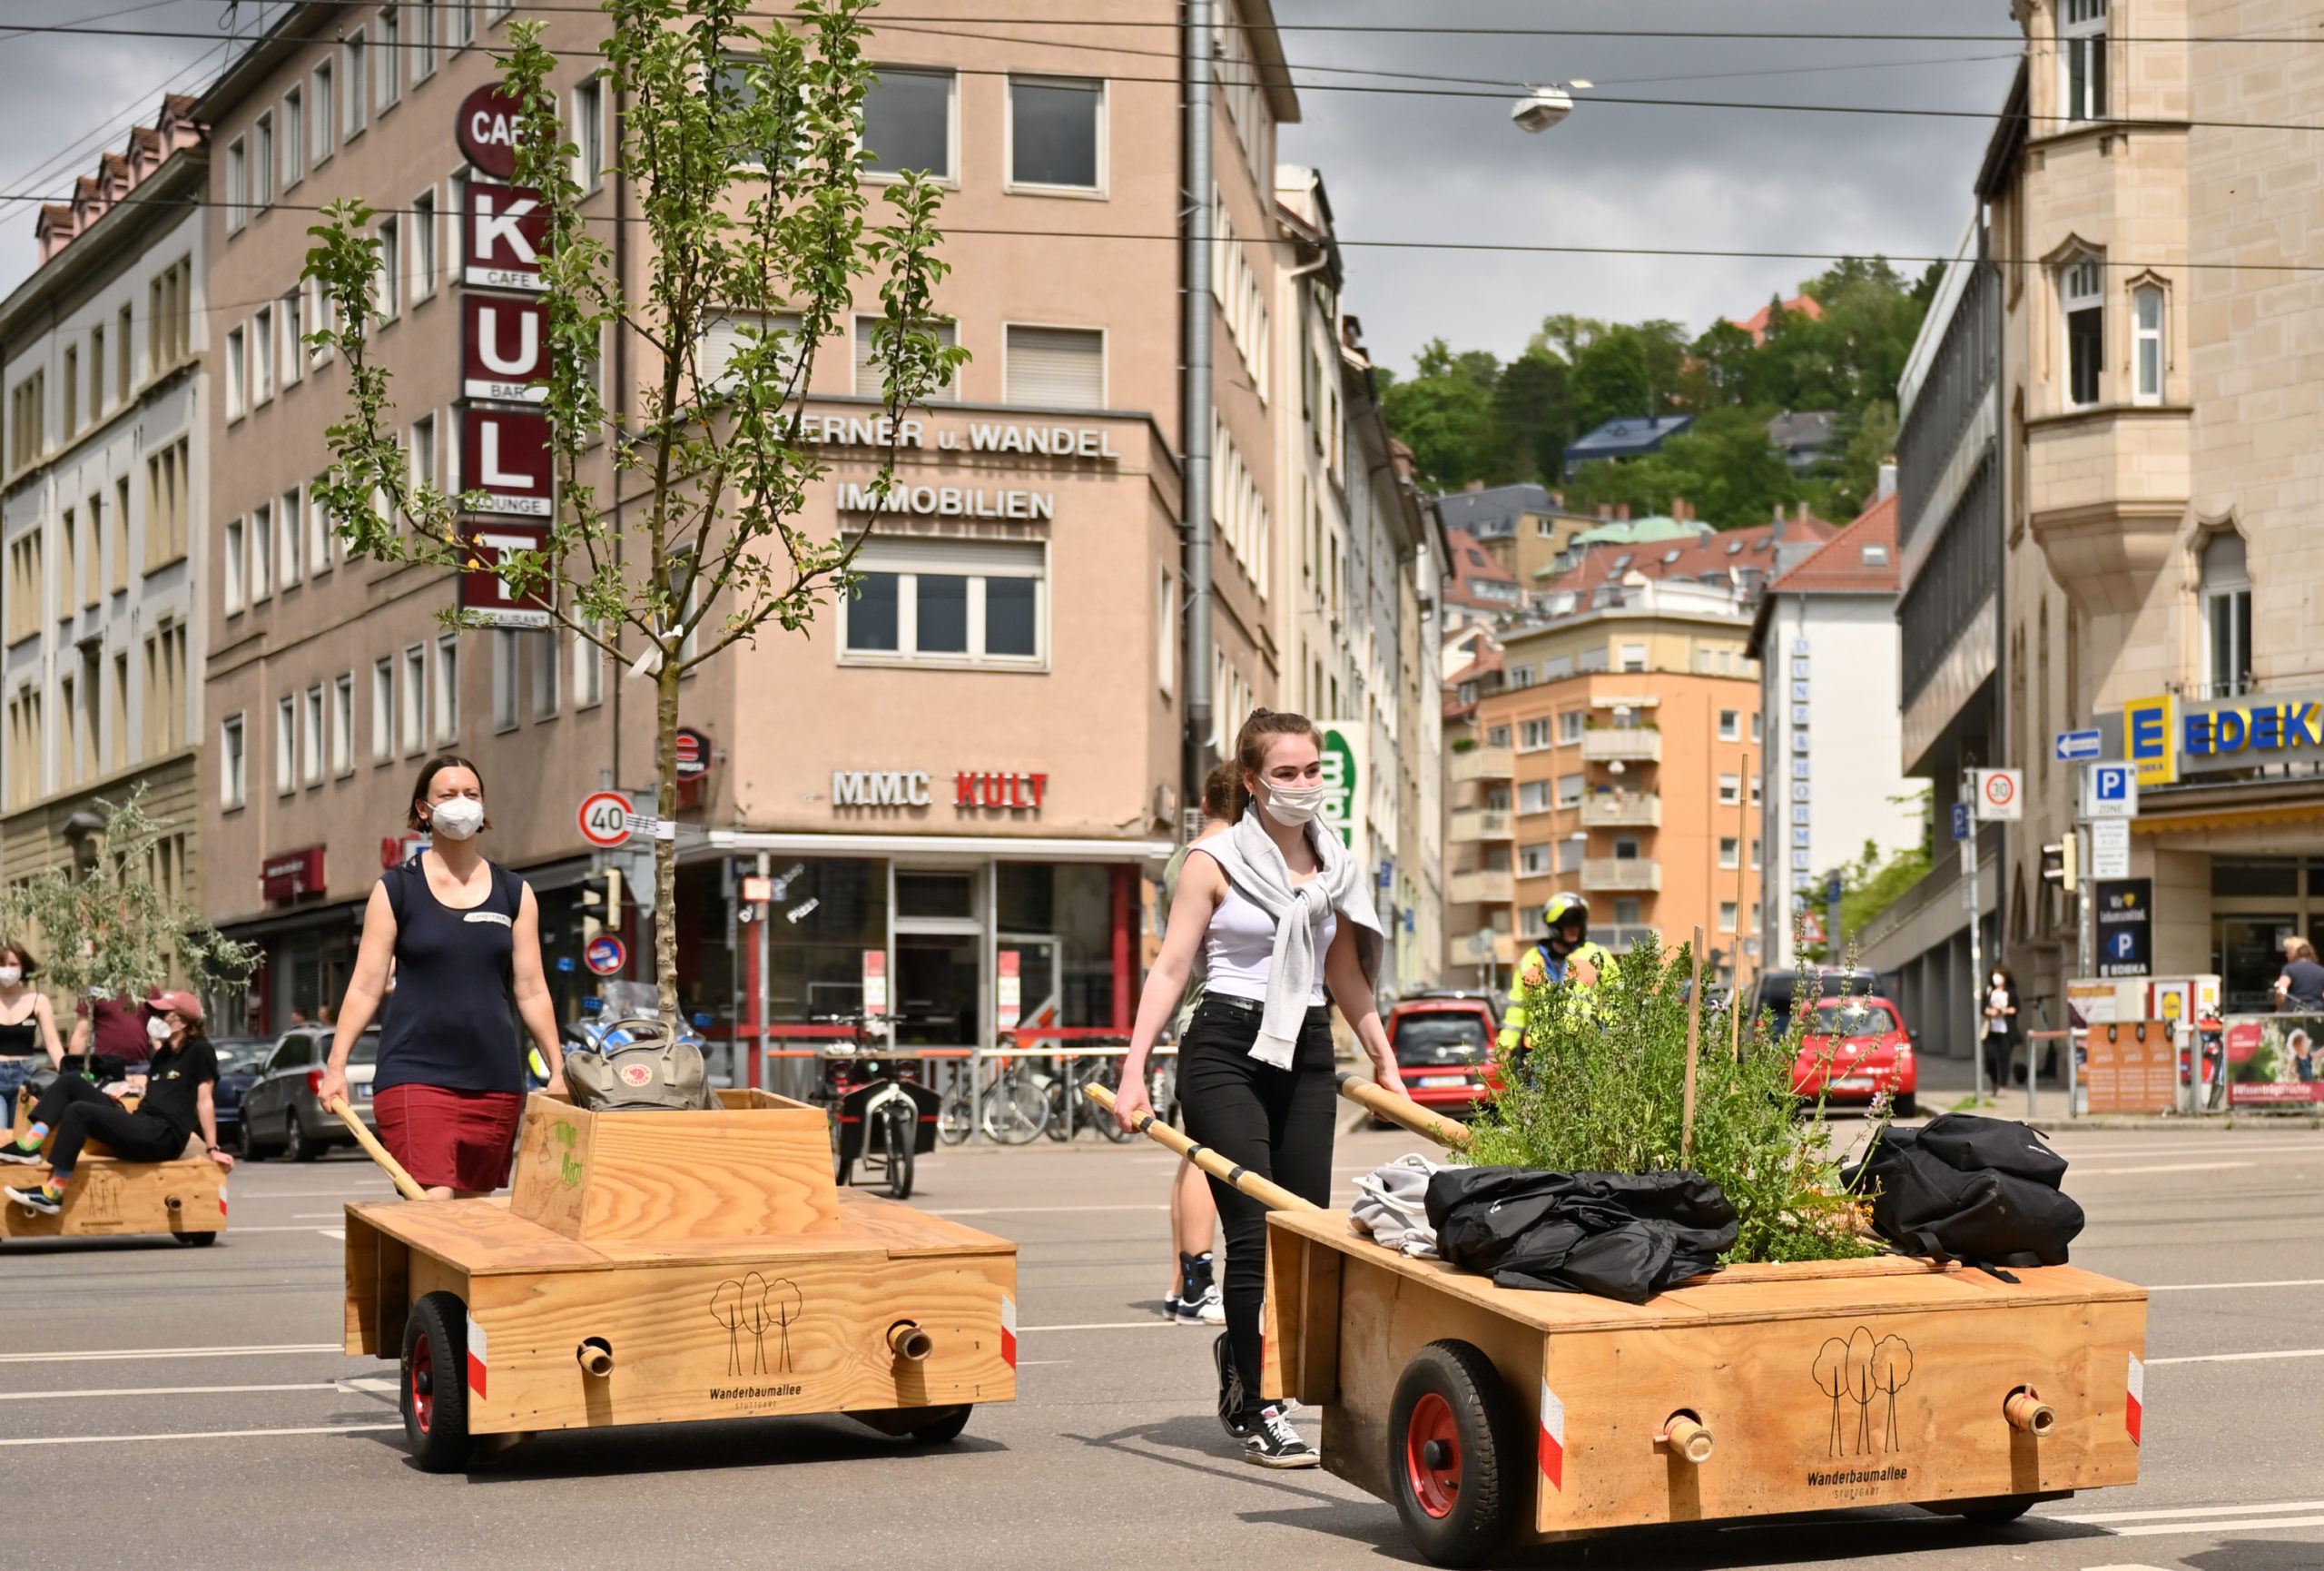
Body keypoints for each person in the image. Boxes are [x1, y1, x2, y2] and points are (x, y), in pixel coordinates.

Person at [1114, 709, 1404, 1467]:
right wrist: (1133, 1068)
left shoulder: (1333, 863)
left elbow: (1343, 974)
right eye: (1286, 773)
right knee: (1252, 1234)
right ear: (1252, 780)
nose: (1304, 785)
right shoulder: (1214, 860)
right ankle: (1264, 1405)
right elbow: (1173, 967)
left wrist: (1383, 1060)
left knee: (1302, 1236)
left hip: (1305, 1047)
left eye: (1313, 771)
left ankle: (1244, 1367)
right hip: (1225, 1048)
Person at [317, 756, 566, 1200]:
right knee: (434, 1205)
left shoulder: (515, 893)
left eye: (471, 794)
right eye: (448, 795)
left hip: (495, 1079)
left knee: (470, 1222)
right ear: (423, 810)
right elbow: (365, 985)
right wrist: (336, 1066)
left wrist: (558, 1069)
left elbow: (531, 989)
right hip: (415, 1074)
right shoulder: (397, 889)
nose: (462, 804)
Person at [0, 992, 231, 1212]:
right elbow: (161, 1093)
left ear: (183, 1021)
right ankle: (30, 1145)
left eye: (163, 1015)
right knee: (71, 1082)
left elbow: (204, 1101)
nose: (155, 1019)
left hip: (163, 1135)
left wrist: (213, 1148)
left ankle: (52, 1192)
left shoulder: (200, 1051)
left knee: (79, 1112)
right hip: (142, 1122)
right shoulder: (162, 1055)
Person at [1157, 761, 1236, 1327]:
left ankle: (1182, 1280)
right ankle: (1196, 1281)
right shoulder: (1215, 858)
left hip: (1192, 1017)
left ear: (1205, 800)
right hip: (1212, 1018)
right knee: (1210, 1161)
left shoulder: (1180, 856)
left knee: (1194, 1158)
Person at [1496, 893, 1614, 1054]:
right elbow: (1517, 1010)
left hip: (1586, 1051)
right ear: (1555, 926)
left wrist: (1610, 1038)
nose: (1575, 928)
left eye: (1578, 922)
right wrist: (1505, 1047)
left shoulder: (1598, 955)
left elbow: (1617, 998)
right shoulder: (1529, 961)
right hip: (1541, 1054)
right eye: (1568, 923)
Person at [0, 943, 63, 1119]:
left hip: (26, 1076)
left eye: (13, 965)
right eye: (2, 964)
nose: (7, 970)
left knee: (21, 1139)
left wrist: (67, 1075)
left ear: (23, 967)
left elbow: (53, 1044)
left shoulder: (38, 1001)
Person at [67, 990, 150, 1076]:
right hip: (106, 1067)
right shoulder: (93, 990)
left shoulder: (147, 987)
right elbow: (81, 1034)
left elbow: (159, 1029)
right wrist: (70, 1072)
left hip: (142, 1068)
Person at [1983, 965, 2020, 1093]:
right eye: (1994, 974)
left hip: (2006, 1031)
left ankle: (2003, 1085)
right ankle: (1994, 1081)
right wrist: (1990, 1012)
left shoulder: (2010, 991)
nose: (1996, 977)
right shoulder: (1989, 991)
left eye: (1999, 975)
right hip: (1991, 1031)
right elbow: (1983, 1008)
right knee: (1990, 1057)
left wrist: (2004, 1010)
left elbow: (2016, 1008)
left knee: (2005, 1058)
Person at [2276, 939, 2324, 1013]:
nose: (2286, 955)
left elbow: (2281, 992)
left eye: (2288, 952)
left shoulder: (2289, 969)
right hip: (2317, 1012)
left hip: (2295, 1014)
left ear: (2295, 953)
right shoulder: (2321, 970)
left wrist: (2281, 1009)